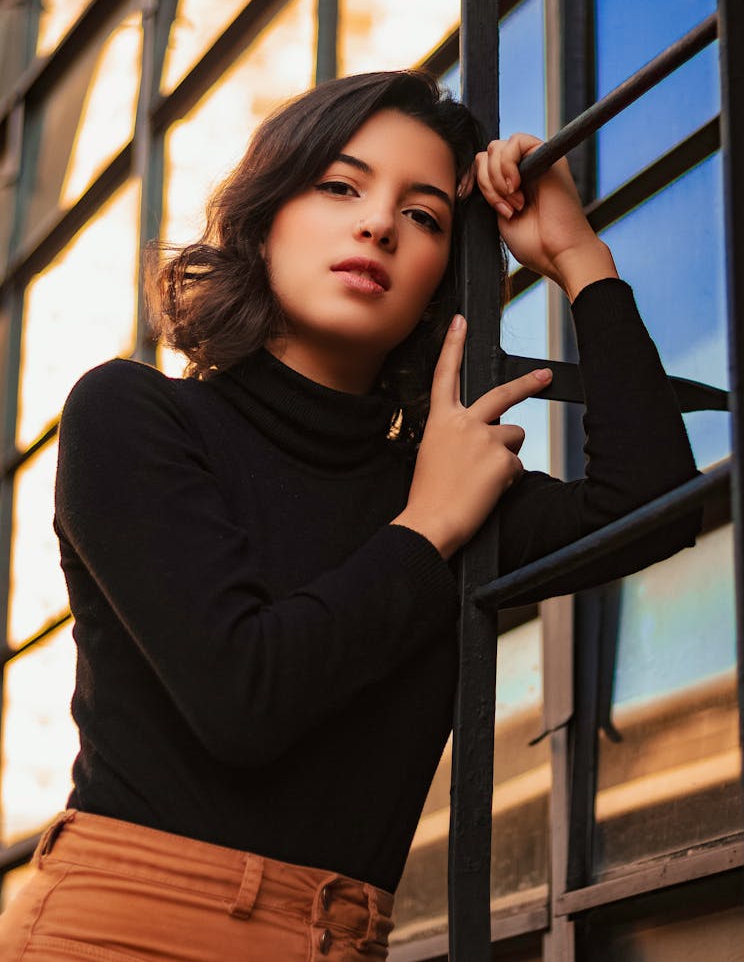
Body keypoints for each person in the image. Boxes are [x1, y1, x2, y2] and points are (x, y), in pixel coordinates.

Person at [0, 70, 699, 960]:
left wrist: (577, 258)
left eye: (424, 216)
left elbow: (651, 507)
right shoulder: (134, 417)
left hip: (345, 937)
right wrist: (427, 529)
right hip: (126, 924)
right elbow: (244, 700)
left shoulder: (442, 481)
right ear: (264, 220)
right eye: (341, 186)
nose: (377, 224)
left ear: (442, 275)